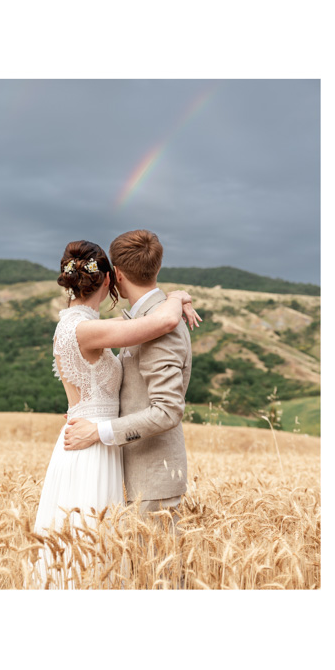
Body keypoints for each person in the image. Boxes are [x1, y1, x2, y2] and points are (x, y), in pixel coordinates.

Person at [34, 239, 199, 587]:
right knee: (90, 554)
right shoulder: (87, 328)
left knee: (98, 557)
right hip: (91, 448)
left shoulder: (75, 325)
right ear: (109, 280)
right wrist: (175, 296)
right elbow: (164, 322)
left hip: (99, 445)